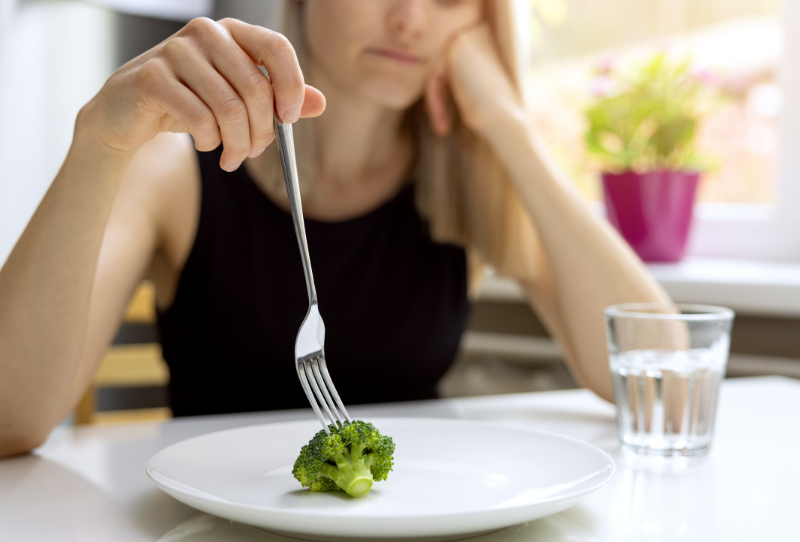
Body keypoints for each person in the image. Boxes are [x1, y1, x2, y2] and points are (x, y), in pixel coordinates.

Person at [0, 0, 669, 457]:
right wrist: (100, 142)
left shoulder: (471, 183)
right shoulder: (177, 168)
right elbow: (10, 419)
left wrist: (509, 127)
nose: (409, 19)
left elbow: (660, 381)